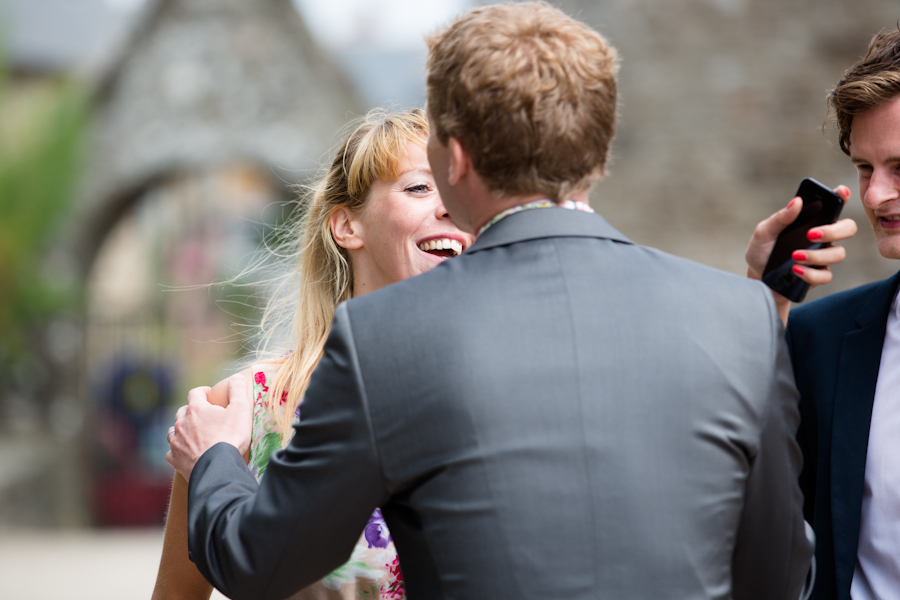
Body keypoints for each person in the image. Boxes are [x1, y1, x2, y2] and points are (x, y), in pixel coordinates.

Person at [167, 3, 812, 599]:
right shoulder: (742, 318)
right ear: (601, 150)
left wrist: (215, 461)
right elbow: (779, 576)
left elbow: (261, 561)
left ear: (457, 157)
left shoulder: (384, 337)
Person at [152, 108, 474, 600]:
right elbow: (177, 595)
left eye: (458, 190)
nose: (448, 206)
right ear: (347, 226)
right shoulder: (241, 413)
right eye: (418, 187)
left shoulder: (497, 393)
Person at [746, 28, 900, 600]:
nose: (877, 195)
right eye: (864, 168)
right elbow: (738, 493)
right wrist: (764, 305)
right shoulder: (820, 337)